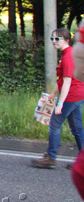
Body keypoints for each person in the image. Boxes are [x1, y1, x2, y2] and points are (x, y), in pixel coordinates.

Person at [31, 28, 84, 169]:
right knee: (77, 129)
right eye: (52, 39)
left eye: (57, 39)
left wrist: (60, 103)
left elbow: (67, 82)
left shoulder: (67, 57)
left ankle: (51, 158)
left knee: (54, 124)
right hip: (78, 94)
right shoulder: (68, 53)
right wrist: (54, 93)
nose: (54, 42)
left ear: (66, 39)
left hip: (72, 96)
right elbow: (61, 79)